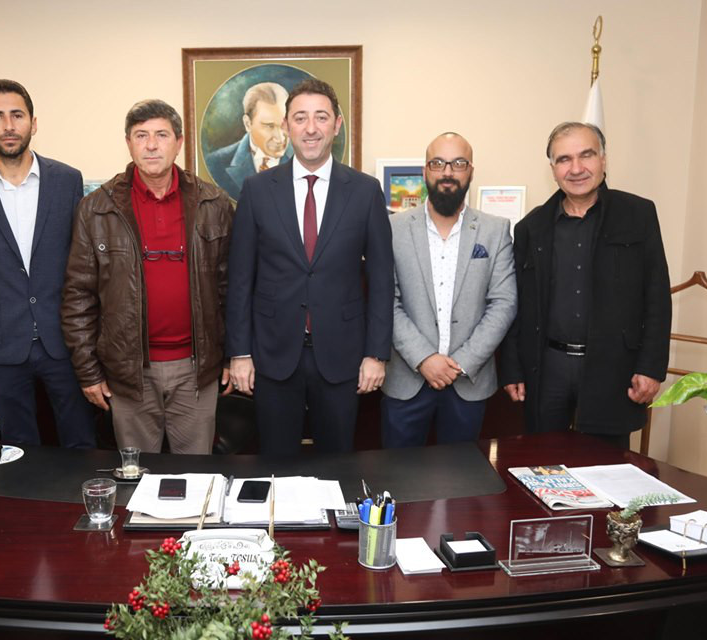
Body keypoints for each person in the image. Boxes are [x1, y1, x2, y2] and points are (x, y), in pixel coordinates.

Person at [226, 78, 394, 455]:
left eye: (321, 117)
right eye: (300, 118)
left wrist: (376, 354)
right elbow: (240, 279)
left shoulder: (365, 191)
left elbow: (382, 279)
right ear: (287, 126)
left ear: (337, 125)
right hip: (272, 353)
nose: (311, 128)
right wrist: (239, 353)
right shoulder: (256, 190)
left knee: (337, 464)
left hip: (343, 354)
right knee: (276, 462)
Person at [61, 99, 234, 454]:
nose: (151, 145)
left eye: (161, 135)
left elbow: (231, 288)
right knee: (136, 476)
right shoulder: (96, 208)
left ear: (179, 142)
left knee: (195, 476)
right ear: (129, 143)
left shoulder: (214, 203)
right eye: (141, 136)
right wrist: (88, 372)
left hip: (197, 372)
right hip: (128, 373)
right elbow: (78, 297)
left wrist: (233, 356)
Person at [498, 121, 671, 447]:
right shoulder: (530, 228)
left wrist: (651, 367)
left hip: (613, 366)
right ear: (552, 168)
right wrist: (512, 369)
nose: (576, 168)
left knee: (607, 463)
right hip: (547, 368)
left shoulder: (638, 214)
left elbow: (657, 296)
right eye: (564, 159)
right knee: (542, 459)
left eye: (586, 155)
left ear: (603, 159)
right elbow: (515, 304)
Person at [0, 79, 96, 448]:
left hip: (63, 341)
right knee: (17, 450)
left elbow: (84, 266)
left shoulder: (67, 180)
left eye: (17, 115)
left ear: (33, 122)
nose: (8, 125)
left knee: (82, 444)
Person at [381, 133, 516, 447]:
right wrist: (424, 358)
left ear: (471, 171)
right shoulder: (392, 229)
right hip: (407, 380)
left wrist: (462, 362)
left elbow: (504, 302)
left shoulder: (495, 230)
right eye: (438, 163)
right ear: (425, 171)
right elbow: (386, 300)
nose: (447, 172)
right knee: (399, 473)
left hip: (468, 381)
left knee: (462, 475)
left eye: (458, 163)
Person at [205, 82, 291, 201]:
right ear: (248, 124)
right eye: (269, 126)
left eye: (285, 125)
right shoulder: (215, 163)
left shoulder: (307, 160)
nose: (280, 138)